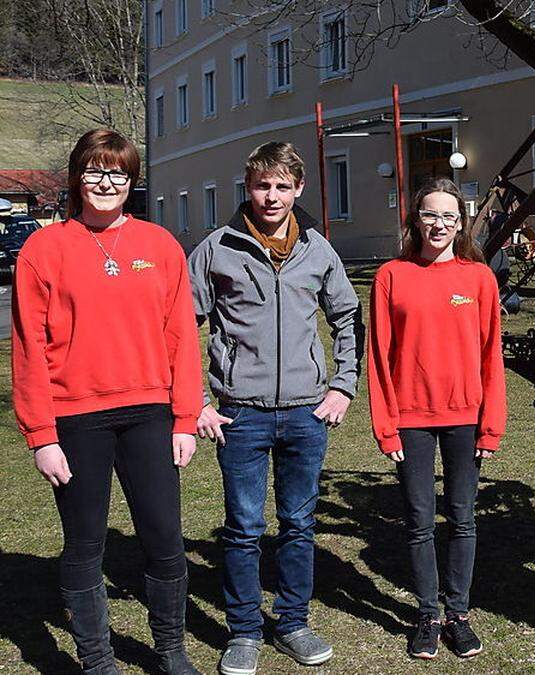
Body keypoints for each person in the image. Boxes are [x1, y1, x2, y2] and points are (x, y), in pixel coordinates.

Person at [11, 129, 203, 674]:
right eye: (95, 171)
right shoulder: (44, 249)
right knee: (85, 544)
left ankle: (171, 651)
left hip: (150, 414)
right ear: (77, 177)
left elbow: (181, 338)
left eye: (118, 173)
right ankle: (97, 661)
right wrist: (42, 436)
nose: (105, 182)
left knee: (165, 539)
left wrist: (184, 418)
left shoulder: (160, 245)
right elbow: (29, 349)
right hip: (75, 418)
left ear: (131, 181)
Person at [188, 142, 362, 675]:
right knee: (242, 527)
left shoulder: (318, 250)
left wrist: (343, 385)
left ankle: (291, 623)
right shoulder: (218, 248)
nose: (272, 196)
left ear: (298, 190)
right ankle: (243, 631)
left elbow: (349, 318)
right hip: (240, 414)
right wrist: (195, 401)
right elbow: (175, 329)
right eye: (263, 185)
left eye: (282, 186)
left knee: (298, 523)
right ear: (249, 185)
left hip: (308, 415)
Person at [367, 178, 506, 660]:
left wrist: (491, 425)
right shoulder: (390, 276)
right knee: (419, 520)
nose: (439, 224)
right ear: (415, 219)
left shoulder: (479, 279)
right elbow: (379, 357)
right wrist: (386, 426)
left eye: (449, 216)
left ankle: (459, 613)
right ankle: (428, 614)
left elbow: (493, 357)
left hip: (466, 419)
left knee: (463, 519)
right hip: (411, 420)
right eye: (430, 214)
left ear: (461, 223)